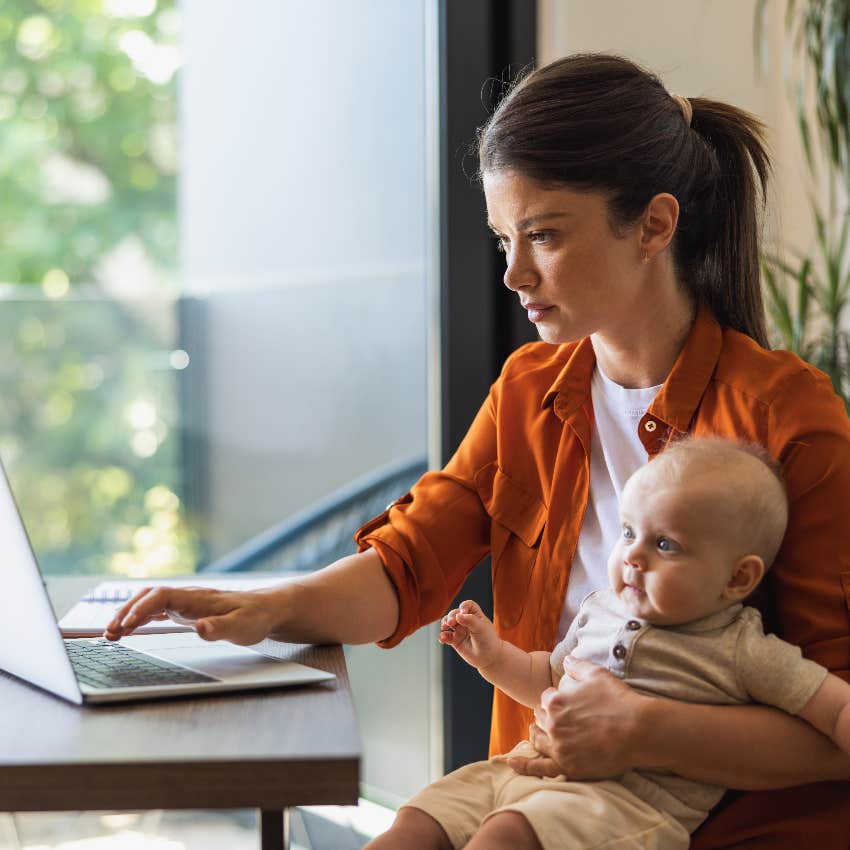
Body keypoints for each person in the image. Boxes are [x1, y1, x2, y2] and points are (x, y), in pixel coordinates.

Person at [104, 53, 850, 848]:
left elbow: (834, 717)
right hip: (530, 795)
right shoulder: (530, 388)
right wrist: (265, 607)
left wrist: (646, 730)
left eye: (545, 236)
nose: (515, 273)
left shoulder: (791, 421)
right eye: (504, 239)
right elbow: (408, 566)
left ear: (655, 226)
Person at [364, 437, 850, 850]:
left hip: (626, 808)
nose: (633, 556)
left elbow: (833, 709)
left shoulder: (744, 648)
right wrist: (492, 657)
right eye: (628, 531)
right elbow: (547, 684)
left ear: (737, 578)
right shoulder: (601, 608)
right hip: (522, 772)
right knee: (416, 822)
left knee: (504, 837)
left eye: (665, 545)